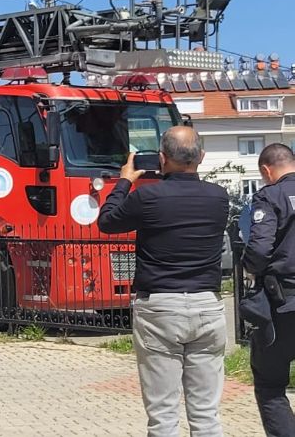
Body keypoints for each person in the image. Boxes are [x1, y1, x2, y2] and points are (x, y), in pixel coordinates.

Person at [98, 126, 229, 437]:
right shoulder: (218, 197)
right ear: (201, 157)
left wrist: (125, 181)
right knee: (207, 416)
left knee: (163, 417)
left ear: (161, 159)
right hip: (207, 307)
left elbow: (106, 221)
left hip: (160, 308)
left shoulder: (147, 196)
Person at [244, 143, 295, 436]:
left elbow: (260, 249)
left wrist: (251, 264)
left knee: (270, 384)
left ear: (266, 170)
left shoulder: (270, 196)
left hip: (284, 304)